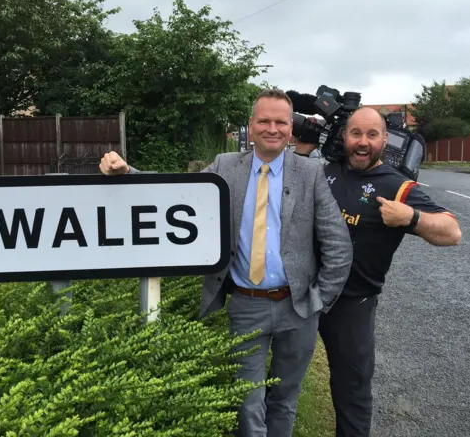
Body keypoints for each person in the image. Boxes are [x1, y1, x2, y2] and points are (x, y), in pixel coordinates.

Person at [99, 88, 354, 437]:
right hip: (245, 304)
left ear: (291, 128)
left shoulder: (310, 174)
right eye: (264, 120)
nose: (272, 128)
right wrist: (128, 173)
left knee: (284, 398)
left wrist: (319, 301)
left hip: (298, 308)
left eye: (281, 121)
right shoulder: (224, 166)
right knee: (246, 400)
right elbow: (178, 196)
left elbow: (338, 245)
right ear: (251, 124)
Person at [294, 107, 461, 437]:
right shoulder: (326, 171)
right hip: (304, 294)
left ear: (385, 140)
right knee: (284, 377)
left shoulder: (398, 187)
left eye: (372, 135)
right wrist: (301, 154)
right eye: (356, 133)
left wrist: (411, 217)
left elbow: (451, 232)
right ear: (344, 136)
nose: (363, 142)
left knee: (351, 392)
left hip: (351, 305)